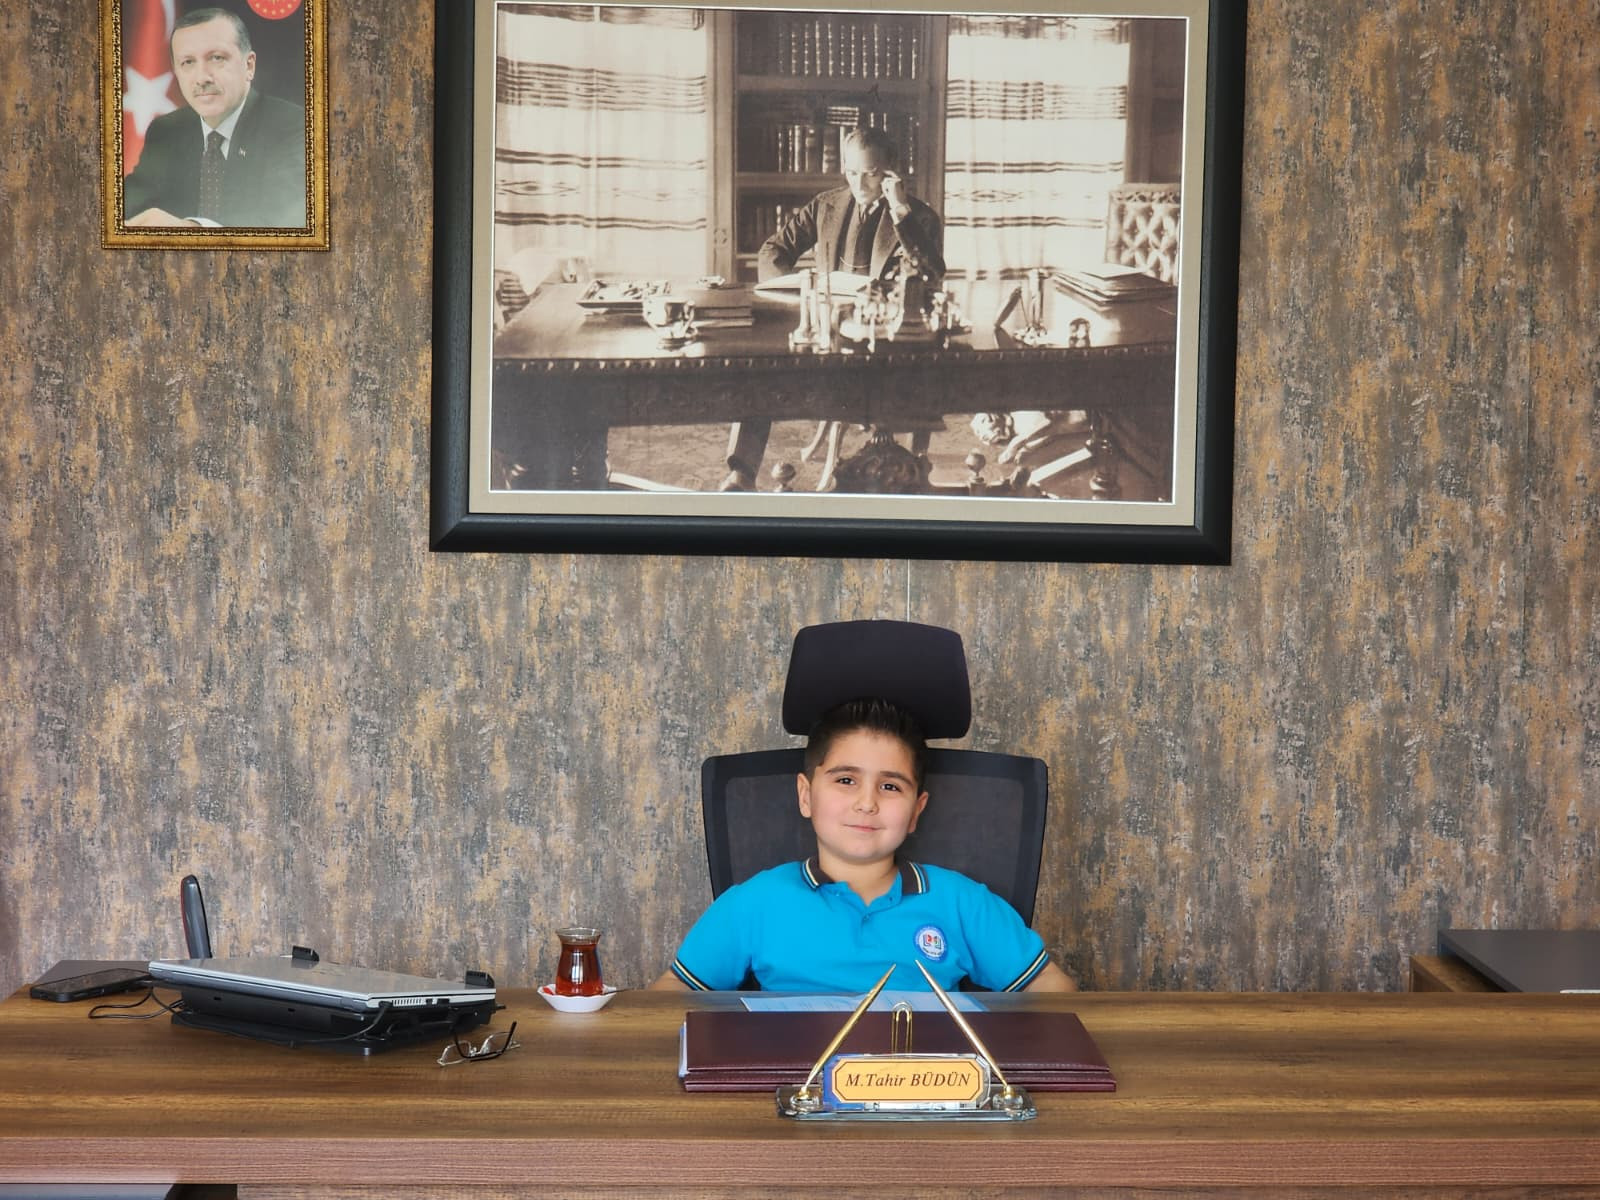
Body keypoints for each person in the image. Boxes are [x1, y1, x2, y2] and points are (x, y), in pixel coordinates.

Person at [651, 697, 1077, 993]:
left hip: (926, 1088)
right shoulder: (753, 903)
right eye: (845, 780)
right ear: (805, 795)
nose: (867, 803)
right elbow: (673, 995)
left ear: (916, 810)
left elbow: (1051, 989)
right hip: (796, 1088)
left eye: (890, 786)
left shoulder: (964, 903)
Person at [722, 127, 947, 491]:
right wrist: (796, 292)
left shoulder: (918, 218)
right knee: (759, 372)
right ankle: (741, 472)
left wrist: (900, 211)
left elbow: (931, 274)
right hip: (826, 336)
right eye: (852, 172)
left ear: (891, 172)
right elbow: (773, 251)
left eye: (871, 174)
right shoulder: (826, 205)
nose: (859, 184)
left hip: (883, 346)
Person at [124, 7, 307, 228]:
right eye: (188, 62)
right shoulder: (166, 131)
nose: (202, 78)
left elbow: (286, 222)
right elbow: (127, 205)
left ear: (249, 65)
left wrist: (193, 231)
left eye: (217, 58)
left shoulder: (295, 127)